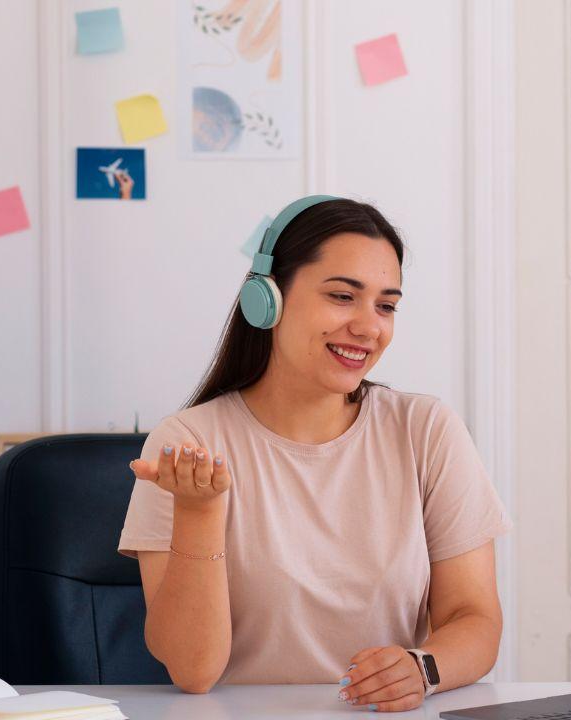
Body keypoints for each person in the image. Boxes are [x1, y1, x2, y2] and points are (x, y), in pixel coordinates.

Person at [119, 196, 511, 712]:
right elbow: (193, 671)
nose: (370, 327)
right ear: (268, 298)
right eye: (343, 296)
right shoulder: (190, 442)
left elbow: (475, 619)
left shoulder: (426, 430)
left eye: (386, 305)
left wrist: (423, 669)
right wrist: (198, 512)